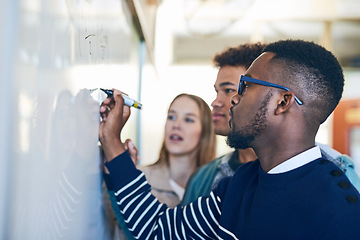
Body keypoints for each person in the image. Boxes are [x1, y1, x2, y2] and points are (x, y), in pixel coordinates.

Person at [99, 39, 360, 239]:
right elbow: (157, 229)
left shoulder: (342, 215)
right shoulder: (238, 185)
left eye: (246, 86)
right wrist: (112, 143)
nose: (234, 98)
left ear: (282, 102)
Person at [182, 43, 360, 205]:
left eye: (240, 88)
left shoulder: (339, 189)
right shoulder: (225, 182)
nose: (217, 102)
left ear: (282, 102)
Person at [103, 93, 216, 239]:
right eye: (171, 117)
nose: (176, 125)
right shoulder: (137, 178)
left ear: (205, 131)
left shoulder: (214, 187)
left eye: (188, 119)